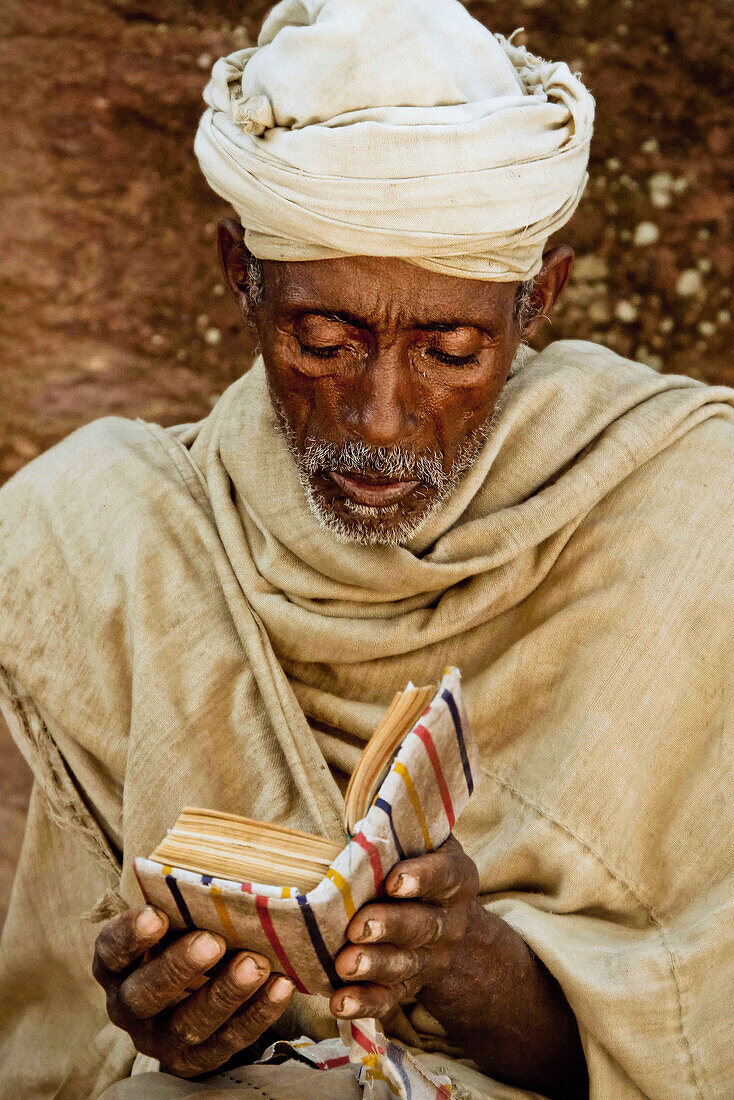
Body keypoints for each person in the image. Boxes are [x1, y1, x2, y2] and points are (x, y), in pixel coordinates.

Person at [1, 0, 732, 1097]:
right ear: (240, 274)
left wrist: (467, 962)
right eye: (323, 341)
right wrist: (164, 1018)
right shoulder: (108, 537)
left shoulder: (687, 514)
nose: (379, 418)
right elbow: (70, 1018)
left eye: (449, 349)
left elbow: (694, 1039)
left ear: (538, 298)